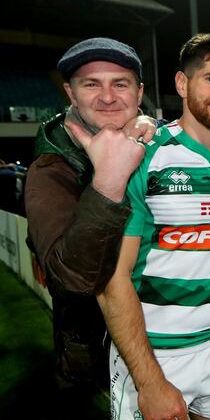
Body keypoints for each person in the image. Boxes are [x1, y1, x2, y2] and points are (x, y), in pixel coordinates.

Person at [96, 33, 210, 420]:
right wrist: (149, 380)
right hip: (154, 354)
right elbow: (111, 281)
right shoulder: (143, 156)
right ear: (181, 83)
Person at [24, 37, 156, 414]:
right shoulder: (50, 170)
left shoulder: (154, 142)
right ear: (70, 93)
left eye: (120, 84)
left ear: (139, 92)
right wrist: (108, 183)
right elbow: (71, 281)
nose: (108, 97)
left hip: (168, 341)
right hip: (94, 358)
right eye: (91, 84)